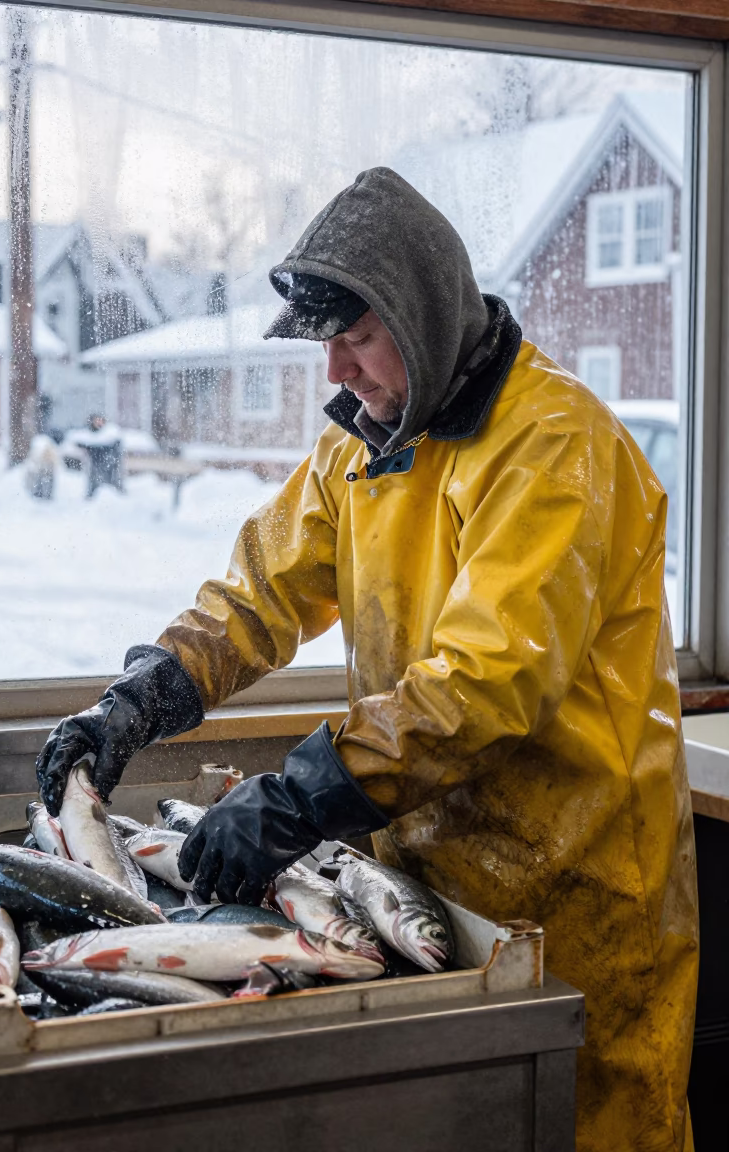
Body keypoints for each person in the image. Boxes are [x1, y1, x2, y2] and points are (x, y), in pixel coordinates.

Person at [36, 168, 697, 1151]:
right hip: (425, 880)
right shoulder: (365, 444)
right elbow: (261, 592)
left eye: (357, 340)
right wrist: (142, 697)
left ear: (425, 320)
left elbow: (484, 679)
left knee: (588, 1128)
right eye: (329, 346)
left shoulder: (557, 448)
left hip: (577, 896)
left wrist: (300, 795)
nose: (337, 374)